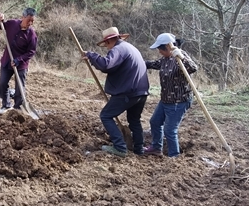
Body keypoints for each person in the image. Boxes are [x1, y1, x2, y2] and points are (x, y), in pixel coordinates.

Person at [83, 27, 149, 157]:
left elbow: (106, 65)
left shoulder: (118, 49)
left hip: (128, 91)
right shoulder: (130, 48)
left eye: (106, 45)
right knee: (134, 119)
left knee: (106, 115)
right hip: (141, 91)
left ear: (109, 41)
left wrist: (91, 55)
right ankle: (139, 149)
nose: (107, 48)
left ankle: (120, 147)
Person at [143, 33, 198, 158]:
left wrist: (182, 58)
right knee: (155, 122)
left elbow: (194, 68)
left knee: (169, 130)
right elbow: (154, 64)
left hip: (178, 101)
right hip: (165, 99)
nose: (159, 51)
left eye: (160, 49)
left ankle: (174, 156)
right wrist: (139, 61)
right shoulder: (165, 59)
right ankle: (156, 148)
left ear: (166, 48)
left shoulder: (179, 56)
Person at [0, 8, 38, 114]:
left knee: (19, 88)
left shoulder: (31, 34)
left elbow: (31, 52)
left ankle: (18, 108)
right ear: (22, 17)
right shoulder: (12, 24)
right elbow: (1, 25)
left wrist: (19, 60)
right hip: (7, 60)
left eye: (32, 21)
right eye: (29, 20)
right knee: (2, 84)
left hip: (21, 64)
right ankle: (6, 105)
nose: (30, 23)